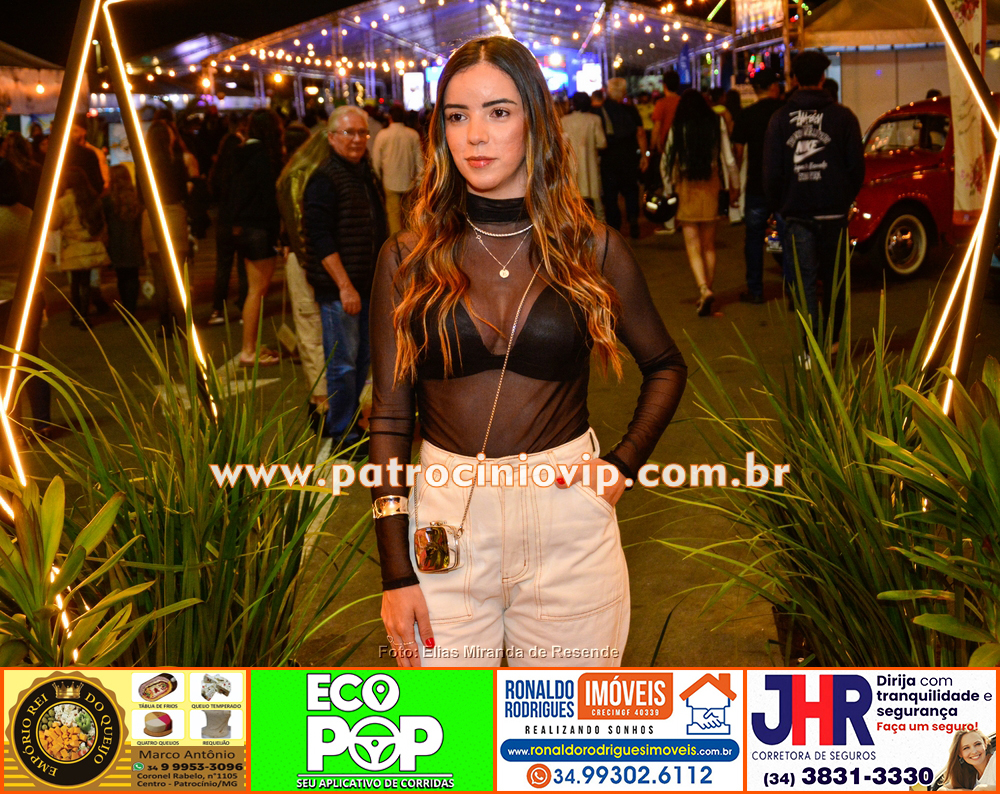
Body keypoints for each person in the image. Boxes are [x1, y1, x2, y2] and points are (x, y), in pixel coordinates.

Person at [370, 36, 687, 668]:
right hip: (446, 521)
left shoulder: (590, 248)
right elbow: (390, 416)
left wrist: (622, 464)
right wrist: (395, 573)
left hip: (567, 518)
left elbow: (665, 366)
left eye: (498, 112)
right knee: (447, 727)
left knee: (566, 725)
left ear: (535, 121)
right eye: (457, 116)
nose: (475, 135)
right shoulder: (406, 258)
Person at [764, 50, 864, 345]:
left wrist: (780, 206)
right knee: (836, 281)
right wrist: (842, 198)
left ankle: (811, 350)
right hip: (834, 214)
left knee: (804, 284)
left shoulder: (780, 119)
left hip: (797, 215)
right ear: (823, 77)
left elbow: (771, 171)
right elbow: (856, 168)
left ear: (795, 79)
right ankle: (832, 342)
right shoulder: (843, 117)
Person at [303, 105, 387, 446]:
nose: (356, 139)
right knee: (343, 364)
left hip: (366, 286)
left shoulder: (363, 173)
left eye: (362, 132)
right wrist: (344, 285)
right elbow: (319, 238)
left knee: (361, 361)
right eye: (348, 132)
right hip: (343, 290)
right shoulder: (324, 179)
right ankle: (342, 432)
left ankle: (351, 424)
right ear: (331, 137)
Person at [662, 89, 739, 316]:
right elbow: (729, 159)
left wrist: (668, 189)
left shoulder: (678, 126)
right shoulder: (716, 123)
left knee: (693, 245)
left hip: (686, 186)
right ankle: (708, 291)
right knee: (709, 245)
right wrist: (735, 186)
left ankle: (703, 289)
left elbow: (666, 160)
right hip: (710, 184)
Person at [277, 130, 329, 432]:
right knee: (317, 332)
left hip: (306, 261)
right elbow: (301, 227)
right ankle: (322, 401)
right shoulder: (307, 176)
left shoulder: (292, 174)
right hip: (314, 261)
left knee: (313, 332)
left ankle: (321, 398)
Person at [0, 159, 51, 437]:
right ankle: (43, 422)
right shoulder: (29, 215)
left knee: (4, 367)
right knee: (32, 359)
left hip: (2, 299)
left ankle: (13, 428)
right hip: (31, 295)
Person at [231, 109, 285, 366]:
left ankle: (250, 345)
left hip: (242, 227)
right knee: (257, 290)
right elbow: (269, 198)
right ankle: (248, 349)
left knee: (254, 288)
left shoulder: (239, 153)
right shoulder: (264, 156)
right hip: (260, 227)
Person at [731, 68, 785, 304]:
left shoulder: (747, 115)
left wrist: (735, 183)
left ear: (754, 90)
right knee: (788, 235)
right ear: (773, 87)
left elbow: (738, 152)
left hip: (756, 184)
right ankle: (794, 288)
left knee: (753, 238)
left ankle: (755, 289)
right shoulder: (785, 112)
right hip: (784, 185)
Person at [141, 119, 190, 336]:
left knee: (159, 275)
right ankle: (181, 321)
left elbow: (140, 194)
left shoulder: (143, 164)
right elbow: (182, 191)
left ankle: (164, 323)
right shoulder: (176, 161)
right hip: (173, 216)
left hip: (152, 217)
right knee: (177, 274)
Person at [50, 167, 110, 327]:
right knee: (86, 282)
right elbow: (101, 221)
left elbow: (53, 224)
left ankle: (76, 315)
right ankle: (84, 315)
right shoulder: (93, 198)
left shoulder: (63, 202)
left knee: (74, 283)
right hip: (90, 246)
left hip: (73, 247)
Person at [207, 132, 248, 325]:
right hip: (241, 221)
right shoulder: (243, 169)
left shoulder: (219, 170)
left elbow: (213, 194)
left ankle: (218, 309)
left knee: (223, 267)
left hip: (223, 222)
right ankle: (244, 308)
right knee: (243, 267)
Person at [600, 78, 648, 238]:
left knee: (611, 194)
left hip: (609, 157)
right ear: (624, 91)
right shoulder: (631, 110)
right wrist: (644, 155)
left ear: (608, 91)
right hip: (629, 156)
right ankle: (633, 220)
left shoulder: (602, 109)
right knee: (631, 191)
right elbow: (640, 133)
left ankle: (614, 228)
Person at [372, 104, 424, 235]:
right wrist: (419, 181)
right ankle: (410, 241)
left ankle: (396, 243)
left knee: (393, 216)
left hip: (389, 181)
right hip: (409, 182)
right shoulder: (413, 134)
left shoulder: (382, 135)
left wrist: (378, 178)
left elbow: (376, 160)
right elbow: (419, 160)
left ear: (390, 117)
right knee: (409, 216)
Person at [104, 165, 143, 316]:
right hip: (133, 241)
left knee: (121, 277)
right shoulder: (135, 198)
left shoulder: (108, 200)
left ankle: (126, 308)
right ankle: (131, 308)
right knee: (133, 277)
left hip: (116, 244)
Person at [561, 91, 607, 216]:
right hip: (590, 164)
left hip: (572, 165)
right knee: (596, 201)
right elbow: (602, 142)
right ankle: (599, 225)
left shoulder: (564, 121)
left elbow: (562, 144)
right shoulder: (594, 119)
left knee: (573, 202)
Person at [651, 70, 682, 233]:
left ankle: (669, 222)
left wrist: (653, 148)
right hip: (683, 150)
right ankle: (681, 218)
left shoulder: (661, 104)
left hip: (667, 150)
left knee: (668, 184)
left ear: (664, 86)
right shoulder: (683, 102)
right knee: (680, 184)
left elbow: (657, 128)